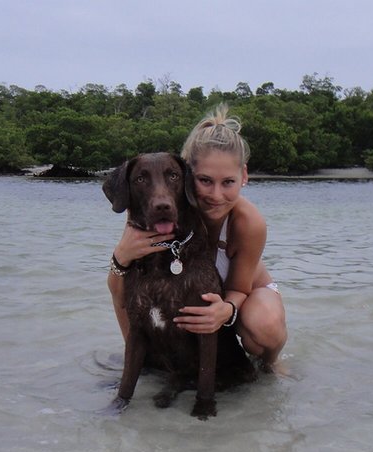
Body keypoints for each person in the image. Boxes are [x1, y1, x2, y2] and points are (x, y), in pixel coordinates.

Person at [107, 104, 287, 372]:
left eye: (228, 182)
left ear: (244, 176)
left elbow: (240, 288)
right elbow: (119, 294)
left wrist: (226, 310)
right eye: (205, 180)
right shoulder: (163, 211)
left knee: (265, 326)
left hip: (244, 294)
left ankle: (271, 365)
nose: (216, 195)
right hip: (200, 295)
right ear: (186, 175)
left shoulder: (248, 222)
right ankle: (144, 364)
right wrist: (121, 256)